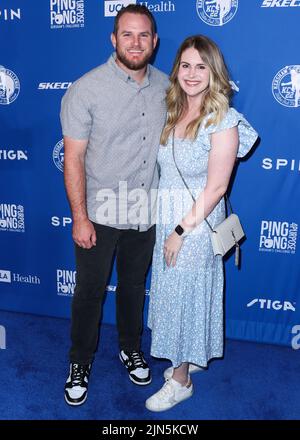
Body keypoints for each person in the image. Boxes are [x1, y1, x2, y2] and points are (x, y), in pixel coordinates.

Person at [60, 4, 169, 406]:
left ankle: (129, 346)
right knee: (89, 291)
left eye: (143, 35)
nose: (136, 43)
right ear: (113, 39)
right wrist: (80, 217)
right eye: (127, 34)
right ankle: (79, 361)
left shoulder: (167, 86)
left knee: (134, 288)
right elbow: (72, 159)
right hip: (100, 213)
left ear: (154, 42)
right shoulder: (86, 89)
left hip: (146, 211)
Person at [145, 35, 258, 412]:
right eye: (186, 65)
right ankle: (186, 355)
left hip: (195, 223)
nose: (192, 74)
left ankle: (181, 380)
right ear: (177, 69)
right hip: (168, 218)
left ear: (214, 73)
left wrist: (180, 231)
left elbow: (217, 187)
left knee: (187, 297)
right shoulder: (172, 110)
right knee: (174, 295)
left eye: (201, 66)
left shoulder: (223, 119)